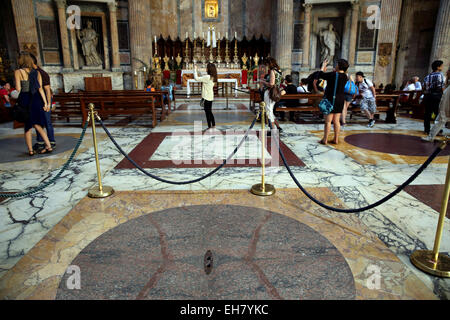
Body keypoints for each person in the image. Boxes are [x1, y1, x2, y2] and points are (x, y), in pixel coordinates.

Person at [15, 52, 52, 156]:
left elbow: (18, 89)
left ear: (21, 60)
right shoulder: (37, 72)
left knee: (27, 126)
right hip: (36, 99)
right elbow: (40, 89)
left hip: (25, 98)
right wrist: (46, 103)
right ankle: (48, 146)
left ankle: (31, 150)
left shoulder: (18, 72)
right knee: (37, 124)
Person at [317, 58, 349, 145]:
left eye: (337, 64)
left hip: (331, 99)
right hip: (340, 100)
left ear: (339, 66)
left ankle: (325, 139)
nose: (335, 66)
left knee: (328, 121)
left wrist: (323, 65)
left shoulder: (333, 75)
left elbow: (321, 74)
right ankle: (336, 139)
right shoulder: (345, 76)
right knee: (336, 120)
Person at [30, 53, 56, 152]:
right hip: (36, 101)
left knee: (47, 122)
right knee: (38, 121)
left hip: (44, 100)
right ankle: (40, 141)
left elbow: (47, 90)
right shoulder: (32, 73)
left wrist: (48, 103)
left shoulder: (42, 73)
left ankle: (51, 141)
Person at [422, 68, 450, 142]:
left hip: (432, 97)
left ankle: (430, 135)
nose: (446, 72)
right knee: (438, 117)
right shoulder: (441, 77)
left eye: (448, 71)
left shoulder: (429, 76)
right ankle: (431, 135)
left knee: (439, 118)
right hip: (437, 97)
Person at [259, 57, 283, 132]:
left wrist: (263, 82)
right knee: (270, 110)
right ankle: (278, 127)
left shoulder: (273, 71)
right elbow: (277, 82)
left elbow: (271, 84)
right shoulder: (279, 71)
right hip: (276, 91)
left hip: (270, 92)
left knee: (269, 111)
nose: (266, 66)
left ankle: (273, 130)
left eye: (267, 64)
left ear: (269, 63)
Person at [423, 60, 446, 135]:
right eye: (441, 66)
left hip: (428, 96)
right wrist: (444, 94)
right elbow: (441, 86)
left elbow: (424, 87)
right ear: (438, 67)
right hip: (437, 95)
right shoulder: (440, 75)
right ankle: (437, 130)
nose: (442, 67)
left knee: (427, 113)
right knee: (437, 113)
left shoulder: (428, 76)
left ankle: (427, 129)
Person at [194, 63, 217, 130]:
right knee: (209, 111)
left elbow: (196, 78)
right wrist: (197, 70)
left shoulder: (207, 77)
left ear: (209, 69)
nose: (206, 69)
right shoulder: (212, 76)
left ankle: (210, 126)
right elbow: (202, 77)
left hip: (206, 97)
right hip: (210, 96)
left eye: (207, 68)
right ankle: (213, 124)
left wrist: (195, 70)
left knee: (207, 112)